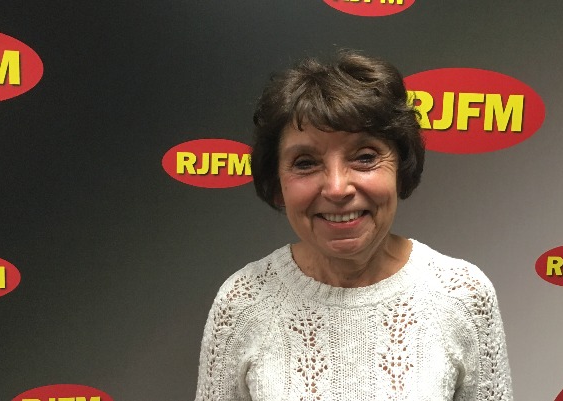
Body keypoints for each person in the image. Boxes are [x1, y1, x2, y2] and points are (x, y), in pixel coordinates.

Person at [195, 50, 512, 400]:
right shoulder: (242, 302)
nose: (337, 188)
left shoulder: (463, 296)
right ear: (277, 183)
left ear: (401, 168)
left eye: (364, 157)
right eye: (305, 163)